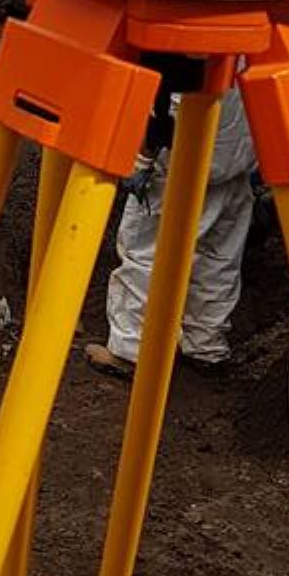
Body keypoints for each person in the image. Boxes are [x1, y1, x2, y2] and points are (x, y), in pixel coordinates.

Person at [86, 85, 256, 378]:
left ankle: (130, 348)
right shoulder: (254, 40)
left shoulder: (193, 47)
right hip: (236, 156)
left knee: (146, 248)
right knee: (218, 255)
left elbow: (168, 95)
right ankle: (205, 344)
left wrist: (142, 159)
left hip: (183, 156)